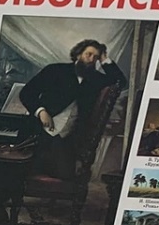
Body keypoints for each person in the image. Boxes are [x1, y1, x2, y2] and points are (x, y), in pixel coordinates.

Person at [18, 38, 127, 180]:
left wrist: (104, 59)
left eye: (95, 57)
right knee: (25, 170)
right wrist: (41, 111)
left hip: (67, 139)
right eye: (88, 54)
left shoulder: (96, 79)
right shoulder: (55, 70)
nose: (91, 59)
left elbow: (120, 82)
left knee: (65, 175)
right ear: (78, 54)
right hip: (38, 132)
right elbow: (26, 93)